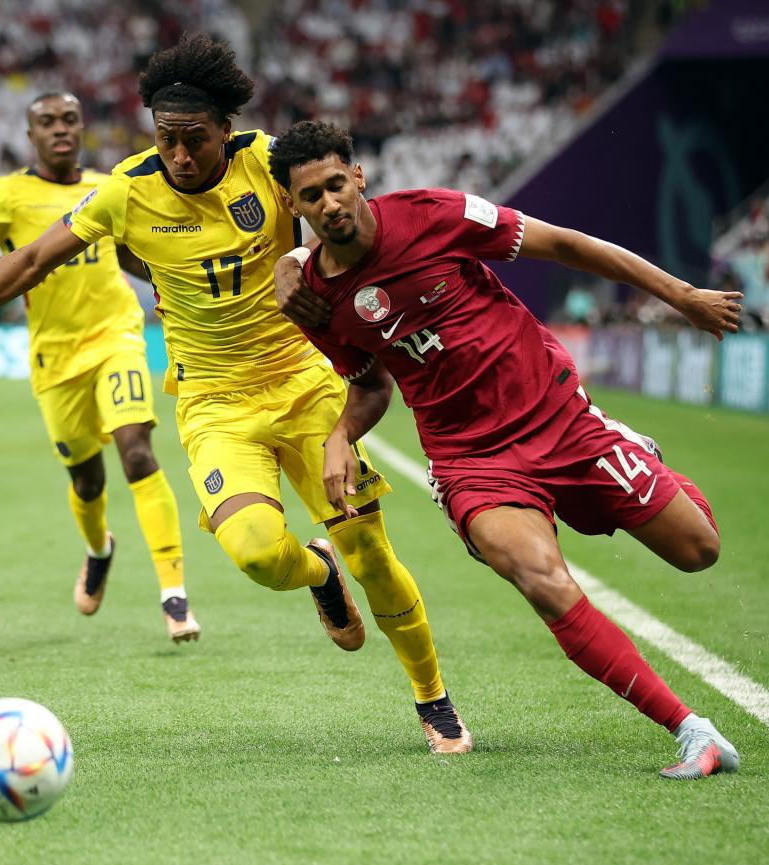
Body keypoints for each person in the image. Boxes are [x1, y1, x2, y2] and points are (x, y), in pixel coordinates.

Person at [0, 37, 471, 754]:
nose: (181, 157)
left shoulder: (272, 162)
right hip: (214, 402)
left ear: (229, 130)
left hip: (304, 381)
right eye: (168, 141)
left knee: (373, 552)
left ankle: (433, 699)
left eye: (196, 141)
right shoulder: (128, 189)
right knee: (256, 553)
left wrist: (313, 266)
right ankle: (319, 571)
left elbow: (354, 211)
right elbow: (32, 258)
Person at [268, 120, 744, 780]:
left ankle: (633, 447)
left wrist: (682, 297)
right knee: (543, 580)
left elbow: (569, 245)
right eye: (311, 196)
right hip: (472, 462)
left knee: (700, 549)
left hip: (559, 418)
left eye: (336, 184)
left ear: (359, 178)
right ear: (292, 208)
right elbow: (369, 386)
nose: (329, 204)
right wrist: (340, 436)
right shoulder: (313, 298)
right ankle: (690, 730)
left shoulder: (437, 214)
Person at [0, 92, 200, 643]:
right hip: (55, 354)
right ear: (30, 135)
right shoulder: (7, 193)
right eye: (47, 122)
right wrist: (19, 266)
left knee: (137, 450)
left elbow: (129, 252)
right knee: (86, 475)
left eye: (69, 120)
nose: (60, 129)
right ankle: (100, 549)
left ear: (82, 128)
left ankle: (174, 594)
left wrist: (176, 286)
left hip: (116, 335)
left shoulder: (108, 186)